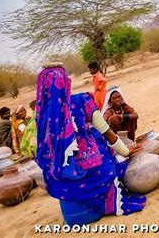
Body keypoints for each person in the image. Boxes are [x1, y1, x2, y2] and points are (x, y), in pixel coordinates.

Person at [35, 63, 145, 226]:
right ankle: (103, 202)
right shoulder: (81, 100)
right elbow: (106, 131)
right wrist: (124, 151)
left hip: (65, 191)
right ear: (66, 83)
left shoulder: (41, 116)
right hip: (92, 170)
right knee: (102, 148)